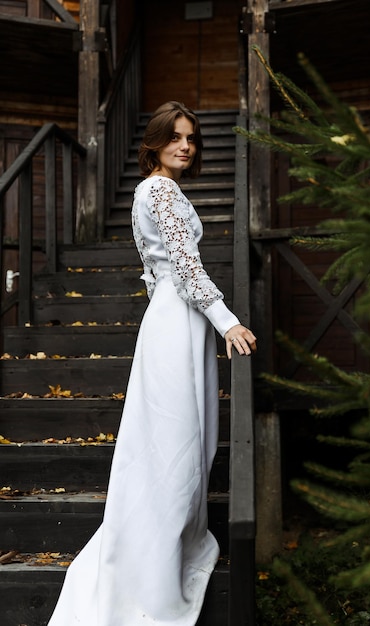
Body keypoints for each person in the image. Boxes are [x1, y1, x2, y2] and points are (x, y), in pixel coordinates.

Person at [47, 101, 257, 626]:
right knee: (174, 441)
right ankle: (152, 571)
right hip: (177, 317)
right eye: (175, 138)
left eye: (192, 139)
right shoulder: (160, 189)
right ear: (156, 142)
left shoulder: (153, 191)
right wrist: (227, 320)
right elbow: (185, 269)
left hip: (170, 317)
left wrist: (181, 315)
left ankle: (162, 551)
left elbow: (157, 271)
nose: (185, 146)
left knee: (176, 441)